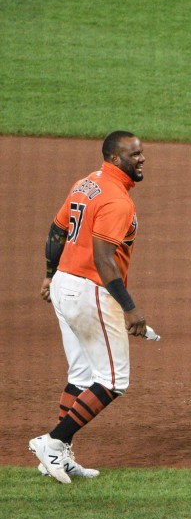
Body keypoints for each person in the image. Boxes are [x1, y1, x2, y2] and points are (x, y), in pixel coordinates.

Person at [30, 132, 149, 483]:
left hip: (66, 283)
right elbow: (103, 259)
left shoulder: (86, 184)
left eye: (142, 153)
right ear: (114, 159)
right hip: (89, 290)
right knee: (114, 380)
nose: (141, 159)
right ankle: (53, 442)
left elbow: (57, 230)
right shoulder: (117, 201)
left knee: (81, 375)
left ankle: (59, 456)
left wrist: (50, 275)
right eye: (134, 155)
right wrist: (130, 308)